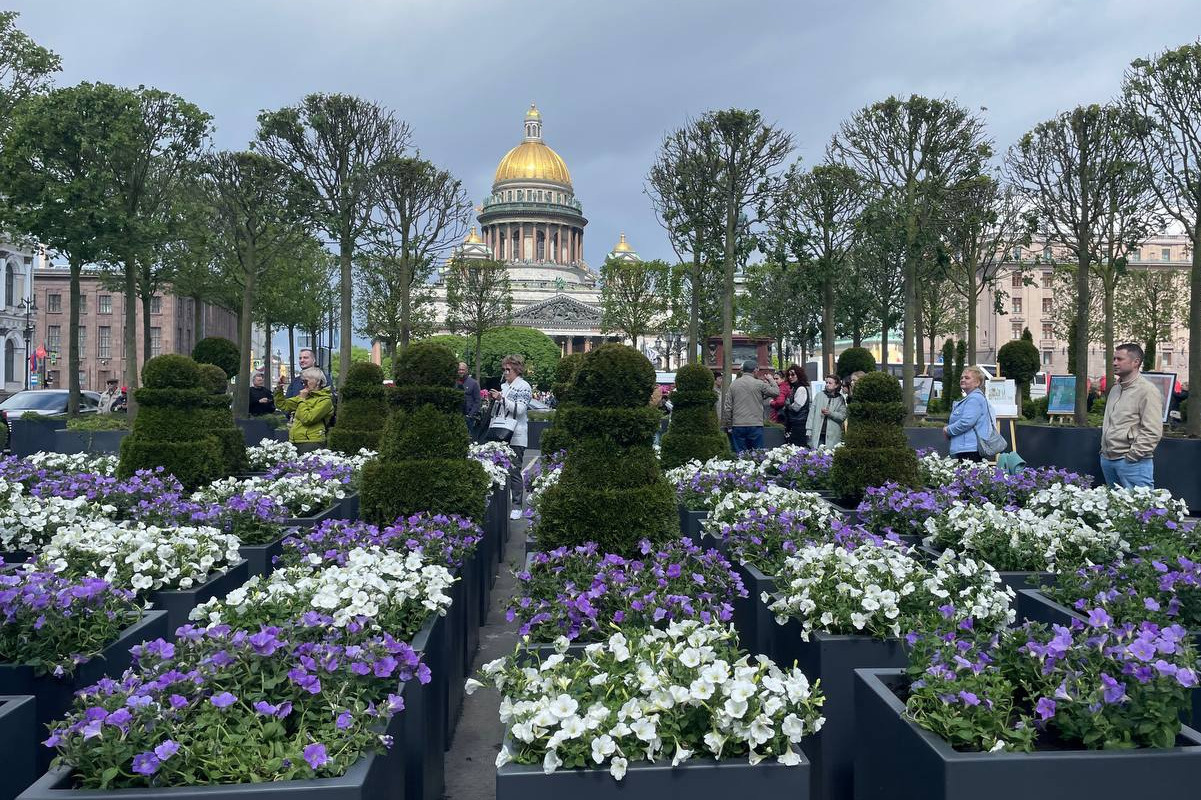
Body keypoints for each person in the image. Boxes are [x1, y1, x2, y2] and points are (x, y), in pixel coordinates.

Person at [1100, 342, 1163, 488]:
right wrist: (1104, 453)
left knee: (1141, 509)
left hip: (1132, 462)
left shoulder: (1147, 391)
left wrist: (1133, 456)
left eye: (1120, 359)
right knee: (1114, 508)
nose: (1114, 362)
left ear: (1136, 362)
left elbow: (1153, 430)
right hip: (1108, 459)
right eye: (1114, 359)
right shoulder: (1115, 389)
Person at [485, 354, 532, 520]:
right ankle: (501, 504)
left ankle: (517, 505)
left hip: (516, 435)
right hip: (500, 432)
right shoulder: (503, 386)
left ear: (517, 370)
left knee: (514, 470)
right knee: (498, 468)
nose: (505, 372)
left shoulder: (524, 386)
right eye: (504, 369)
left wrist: (502, 399)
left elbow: (520, 410)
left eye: (508, 369)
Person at [721, 359, 780, 453]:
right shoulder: (759, 384)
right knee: (757, 454)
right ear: (755, 370)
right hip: (755, 424)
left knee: (740, 455)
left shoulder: (734, 384)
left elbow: (728, 407)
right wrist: (771, 379)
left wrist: (728, 425)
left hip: (738, 425)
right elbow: (776, 392)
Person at [943, 365, 993, 462]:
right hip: (967, 448)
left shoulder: (974, 399)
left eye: (967, 378)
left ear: (977, 382)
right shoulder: (971, 398)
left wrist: (947, 430)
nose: (963, 380)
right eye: (961, 378)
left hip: (969, 449)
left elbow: (966, 422)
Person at [274, 366, 334, 444]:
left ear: (318, 382)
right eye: (302, 382)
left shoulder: (325, 400)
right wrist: (279, 389)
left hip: (312, 441)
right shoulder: (304, 396)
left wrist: (302, 400)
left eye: (306, 381)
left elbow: (308, 419)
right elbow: (282, 405)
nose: (303, 384)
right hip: (295, 440)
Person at [808, 374, 848, 448]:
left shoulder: (840, 399)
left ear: (836, 385)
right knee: (817, 454)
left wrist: (830, 413)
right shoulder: (819, 395)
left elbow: (842, 416)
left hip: (833, 433)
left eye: (830, 383)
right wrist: (809, 430)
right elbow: (811, 414)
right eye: (826, 383)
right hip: (818, 432)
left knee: (830, 455)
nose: (827, 385)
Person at [781, 364, 811, 447]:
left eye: (793, 374)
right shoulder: (794, 388)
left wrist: (787, 406)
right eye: (789, 375)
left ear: (799, 375)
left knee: (797, 448)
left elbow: (796, 407)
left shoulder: (801, 389)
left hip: (799, 423)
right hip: (795, 422)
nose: (790, 377)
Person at [457, 361, 482, 436]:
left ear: (467, 370)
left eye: (463, 370)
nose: (461, 371)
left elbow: (478, 401)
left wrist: (470, 415)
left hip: (468, 417)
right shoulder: (453, 382)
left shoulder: (473, 383)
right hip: (456, 415)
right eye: (459, 369)